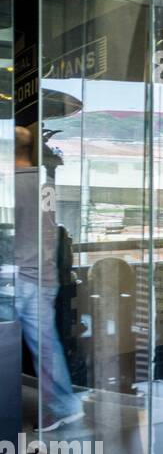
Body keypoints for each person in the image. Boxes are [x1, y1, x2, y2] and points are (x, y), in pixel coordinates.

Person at [13, 124, 83, 431]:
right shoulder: (43, 185)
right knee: (45, 345)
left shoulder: (19, 183)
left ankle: (62, 404)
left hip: (24, 278)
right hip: (41, 277)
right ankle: (63, 404)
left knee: (43, 345)